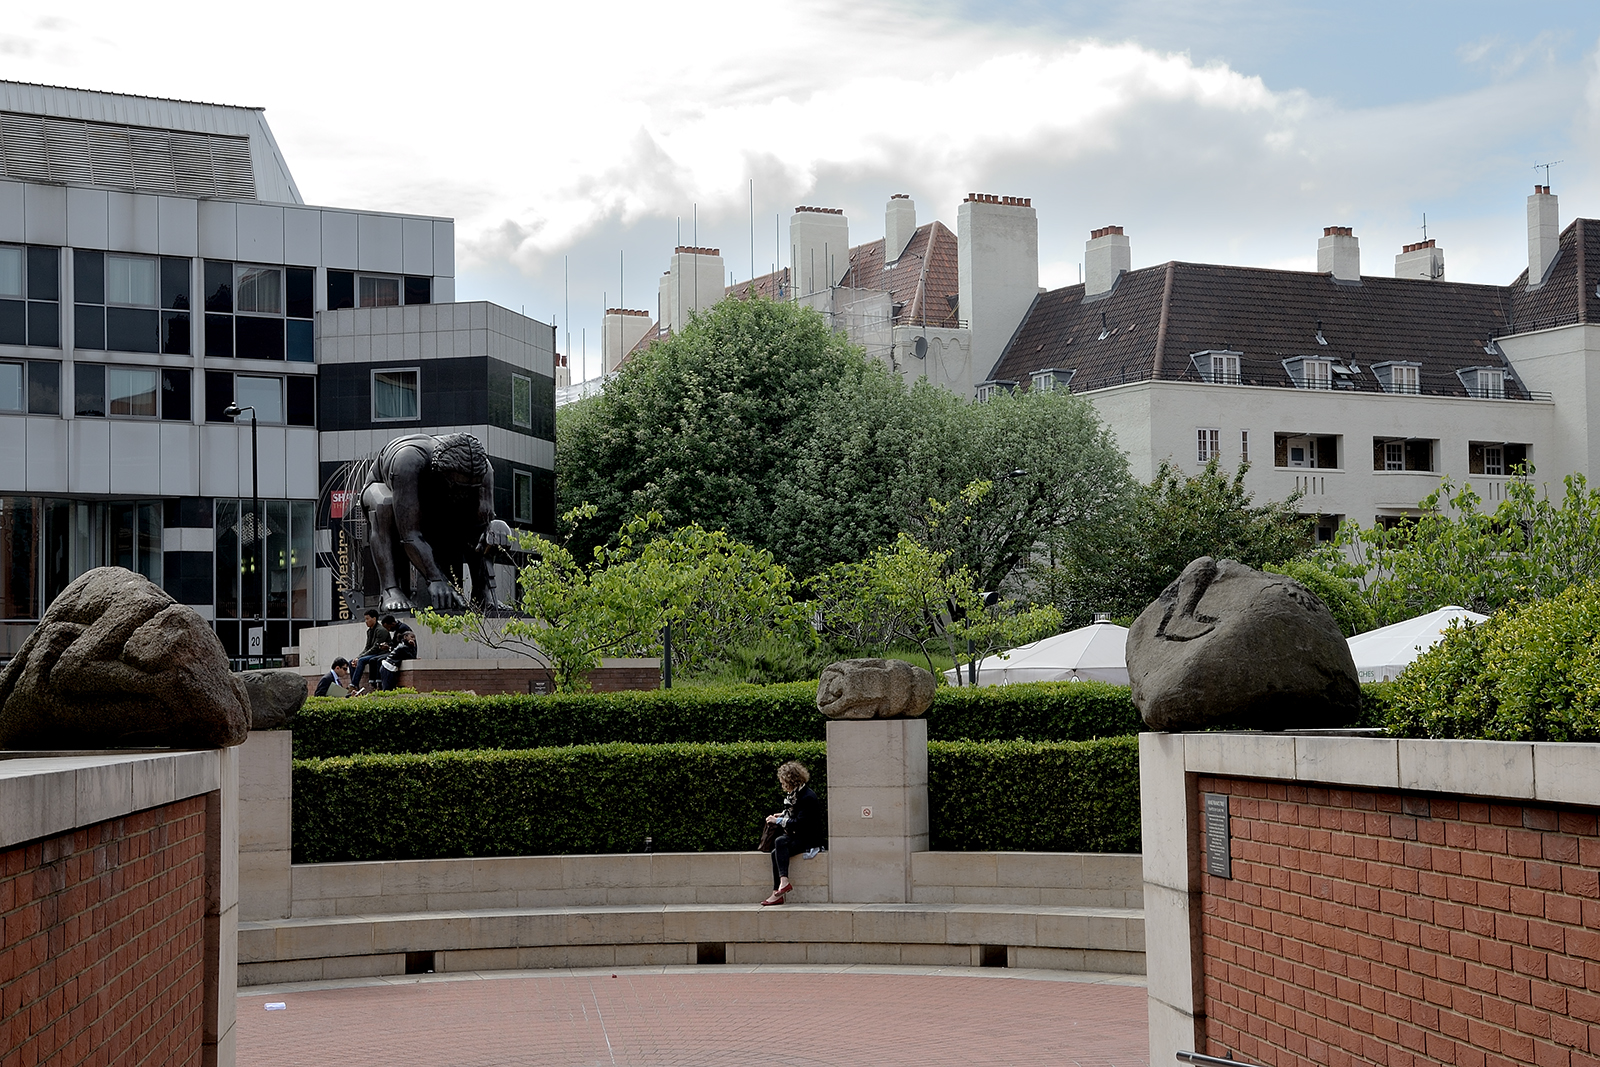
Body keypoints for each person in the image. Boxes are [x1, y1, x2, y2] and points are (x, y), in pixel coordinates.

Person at [761, 761, 825, 906]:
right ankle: (777, 892)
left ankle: (783, 882)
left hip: (809, 840)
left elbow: (800, 823)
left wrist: (778, 821)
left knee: (780, 841)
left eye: (783, 781)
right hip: (799, 836)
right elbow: (793, 813)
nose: (782, 784)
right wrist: (781, 816)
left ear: (791, 780)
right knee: (775, 853)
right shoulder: (796, 795)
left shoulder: (807, 797)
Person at [349, 609, 388, 693]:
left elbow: (375, 648)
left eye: (367, 619)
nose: (366, 621)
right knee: (351, 662)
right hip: (372, 653)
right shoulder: (369, 631)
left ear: (374, 619)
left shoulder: (381, 631)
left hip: (379, 653)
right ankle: (355, 686)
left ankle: (354, 684)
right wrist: (357, 657)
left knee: (361, 661)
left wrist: (360, 658)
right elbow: (367, 647)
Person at [376, 614, 418, 691]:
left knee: (389, 688)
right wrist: (388, 646)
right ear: (404, 637)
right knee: (388, 689)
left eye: (413, 637)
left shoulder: (402, 629)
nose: (413, 639)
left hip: (389, 667)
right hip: (388, 668)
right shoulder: (403, 645)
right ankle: (378, 684)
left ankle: (379, 685)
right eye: (411, 637)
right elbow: (397, 646)